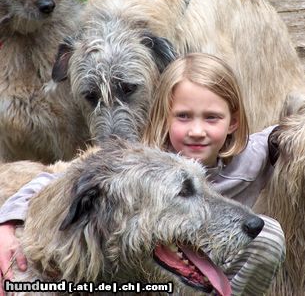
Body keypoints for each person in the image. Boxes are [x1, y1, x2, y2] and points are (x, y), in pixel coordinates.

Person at [0, 53, 285, 295]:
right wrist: (8, 223)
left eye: (212, 117)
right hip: (135, 258)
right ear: (163, 117)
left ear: (233, 122)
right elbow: (62, 178)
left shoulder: (248, 153)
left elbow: (282, 135)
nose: (197, 131)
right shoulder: (128, 165)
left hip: (178, 254)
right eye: (184, 116)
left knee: (266, 234)